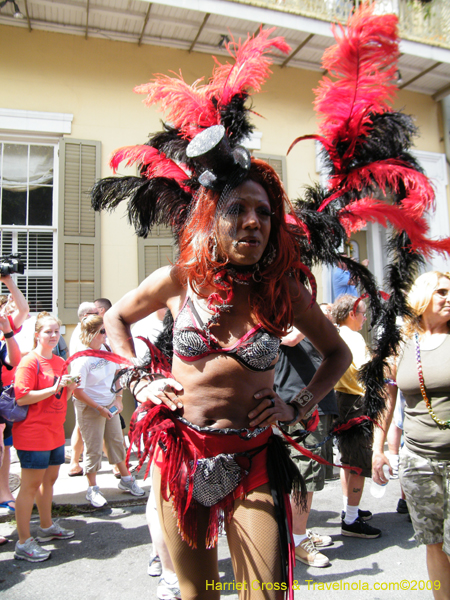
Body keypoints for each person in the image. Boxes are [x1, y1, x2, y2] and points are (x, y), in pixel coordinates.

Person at [373, 271, 450, 600]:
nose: (449, 298)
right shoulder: (402, 346)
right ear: (423, 299)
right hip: (417, 460)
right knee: (432, 542)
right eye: (442, 292)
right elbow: (386, 403)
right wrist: (377, 450)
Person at [13, 312, 78, 563]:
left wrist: (69, 389)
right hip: (32, 432)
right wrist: (54, 388)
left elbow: (62, 398)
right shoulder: (29, 362)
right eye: (48, 331)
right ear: (37, 334)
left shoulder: (61, 362)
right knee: (29, 486)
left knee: (49, 481)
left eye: (56, 331)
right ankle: (23, 542)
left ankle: (46, 526)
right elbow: (22, 397)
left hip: (54, 430)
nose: (53, 335)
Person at [274, 328, 338, 568]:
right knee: (303, 474)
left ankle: (298, 531)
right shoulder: (284, 319)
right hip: (296, 403)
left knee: (308, 474)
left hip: (317, 402)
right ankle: (297, 539)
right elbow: (289, 339)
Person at [71, 315, 144, 507]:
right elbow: (77, 391)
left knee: (116, 441)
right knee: (93, 447)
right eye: (103, 331)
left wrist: (118, 398)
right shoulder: (82, 359)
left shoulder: (106, 349)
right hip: (90, 406)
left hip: (109, 402)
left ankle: (126, 480)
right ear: (91, 334)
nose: (106, 335)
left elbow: (116, 374)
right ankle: (92, 488)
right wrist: (98, 408)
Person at [331, 294, 381, 539]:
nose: (364, 318)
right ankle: (351, 519)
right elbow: (366, 371)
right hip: (356, 403)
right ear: (352, 314)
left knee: (347, 459)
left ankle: (348, 509)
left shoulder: (336, 334)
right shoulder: (354, 337)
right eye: (362, 313)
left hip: (341, 400)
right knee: (359, 462)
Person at [0, 275, 30, 517]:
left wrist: (9, 280)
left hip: (4, 398)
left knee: (4, 449)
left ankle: (4, 494)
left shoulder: (4, 329)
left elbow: (23, 309)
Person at [68, 301, 99, 477]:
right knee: (88, 426)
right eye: (95, 312)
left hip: (86, 385)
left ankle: (74, 462)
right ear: (85, 316)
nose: (99, 314)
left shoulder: (81, 331)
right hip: (86, 386)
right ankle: (117, 464)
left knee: (80, 426)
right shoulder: (83, 333)